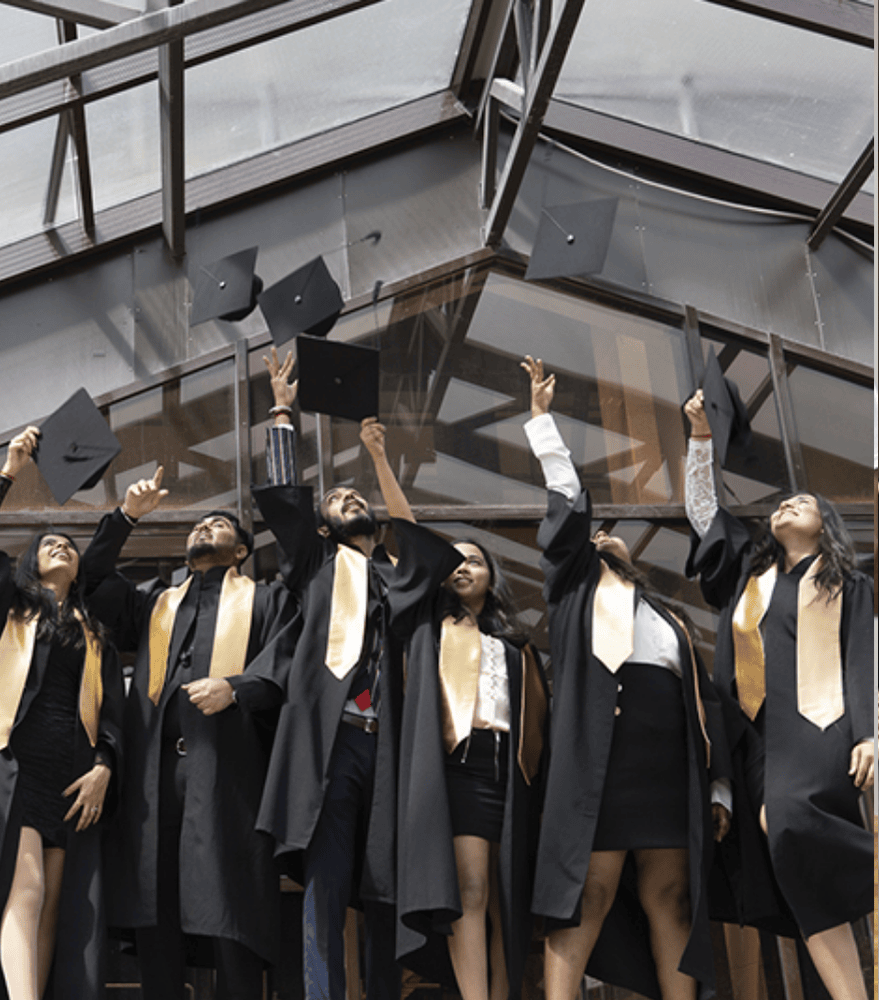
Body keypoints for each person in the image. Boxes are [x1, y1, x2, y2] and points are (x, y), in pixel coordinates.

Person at [250, 349, 457, 1000]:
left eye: (355, 496)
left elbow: (416, 544)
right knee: (327, 880)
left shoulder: (396, 578)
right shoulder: (317, 564)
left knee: (384, 884)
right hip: (332, 741)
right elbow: (287, 504)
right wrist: (281, 413)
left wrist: (377, 459)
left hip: (388, 745)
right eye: (337, 499)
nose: (348, 498)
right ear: (323, 524)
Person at [522, 356, 729, 1000]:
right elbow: (567, 510)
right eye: (595, 536)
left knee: (671, 893)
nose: (604, 538)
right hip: (599, 760)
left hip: (665, 766)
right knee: (588, 892)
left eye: (611, 537)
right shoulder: (573, 591)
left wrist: (718, 785)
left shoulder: (668, 619)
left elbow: (705, 703)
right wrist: (543, 424)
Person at [682, 389, 874, 1000]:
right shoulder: (749, 575)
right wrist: (700, 437)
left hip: (819, 727)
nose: (788, 503)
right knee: (794, 867)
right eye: (783, 502)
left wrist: (869, 733)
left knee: (786, 823)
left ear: (826, 525)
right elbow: (704, 514)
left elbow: (860, 661)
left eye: (803, 502)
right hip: (756, 738)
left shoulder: (847, 584)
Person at [79, 468, 295, 999]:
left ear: (241, 551)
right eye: (198, 525)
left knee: (228, 907)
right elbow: (91, 584)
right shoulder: (157, 602)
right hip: (153, 781)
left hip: (226, 773)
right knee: (158, 911)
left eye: (218, 524)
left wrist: (236, 688)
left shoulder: (265, 600)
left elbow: (287, 662)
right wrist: (126, 517)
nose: (204, 527)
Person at [0, 427, 124, 1000]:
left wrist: (105, 765)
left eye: (69, 544)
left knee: (50, 909)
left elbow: (112, 713)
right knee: (28, 887)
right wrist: (9, 472)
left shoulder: (95, 635)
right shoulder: (6, 609)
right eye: (48, 543)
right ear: (28, 565)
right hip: (10, 767)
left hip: (73, 775)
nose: (61, 546)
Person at [385, 481, 548, 1000]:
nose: (462, 567)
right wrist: (381, 458)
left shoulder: (517, 646)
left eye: (474, 561)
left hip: (514, 772)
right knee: (471, 889)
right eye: (453, 562)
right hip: (460, 766)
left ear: (491, 577)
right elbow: (409, 539)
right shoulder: (429, 630)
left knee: (508, 899)